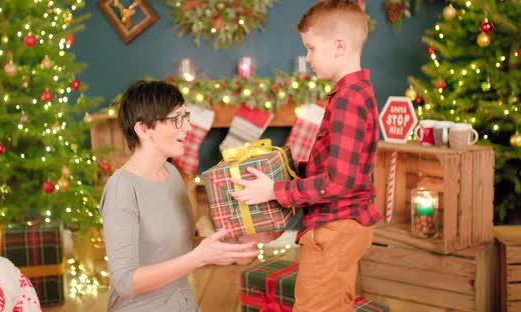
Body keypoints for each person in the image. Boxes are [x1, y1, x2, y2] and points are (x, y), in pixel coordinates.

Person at [230, 1, 381, 311]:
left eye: (311, 48)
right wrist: (287, 169)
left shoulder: (349, 101)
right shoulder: (352, 92)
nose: (307, 58)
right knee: (336, 304)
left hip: (335, 228)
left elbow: (338, 182)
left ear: (339, 46)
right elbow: (336, 166)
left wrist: (274, 190)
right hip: (345, 225)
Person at [100, 80, 260, 312]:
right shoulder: (121, 189)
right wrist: (199, 258)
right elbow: (124, 282)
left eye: (186, 117)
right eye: (177, 119)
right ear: (143, 129)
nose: (187, 127)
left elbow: (177, 247)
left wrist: (225, 245)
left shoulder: (172, 174)